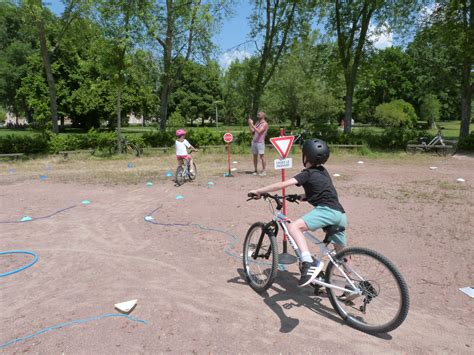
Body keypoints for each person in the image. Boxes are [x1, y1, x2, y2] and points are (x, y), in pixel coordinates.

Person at [249, 139, 347, 287]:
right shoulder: (323, 172)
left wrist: (259, 191)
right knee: (342, 254)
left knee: (294, 227)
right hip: (340, 214)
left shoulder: (306, 173)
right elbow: (322, 190)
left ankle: (307, 262)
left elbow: (283, 184)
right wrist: (301, 196)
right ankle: (354, 283)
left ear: (306, 156)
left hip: (326, 211)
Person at [248, 111, 269, 176]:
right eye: (258, 114)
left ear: (263, 115)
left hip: (260, 142)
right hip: (254, 141)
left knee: (262, 157)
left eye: (260, 114)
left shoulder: (265, 124)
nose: (258, 114)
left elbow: (259, 131)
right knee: (254, 156)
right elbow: (252, 131)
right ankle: (255, 170)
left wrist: (252, 125)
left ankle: (264, 171)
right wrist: (249, 124)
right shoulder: (257, 122)